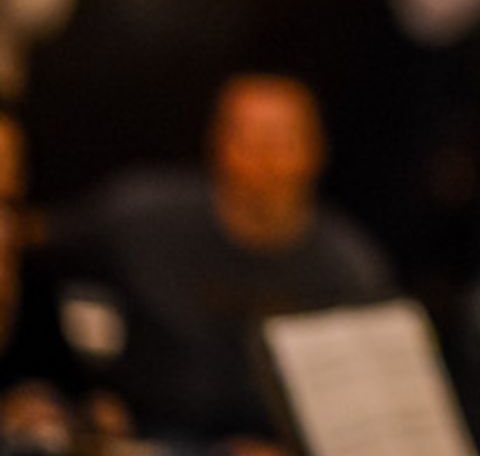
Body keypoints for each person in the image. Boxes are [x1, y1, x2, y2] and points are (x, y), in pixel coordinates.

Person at [49, 73, 395, 450]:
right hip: (149, 438)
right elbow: (40, 251)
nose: (265, 162)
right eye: (247, 140)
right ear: (216, 144)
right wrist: (65, 393)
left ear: (316, 152)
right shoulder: (143, 220)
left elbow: (368, 415)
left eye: (282, 142)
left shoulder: (349, 266)